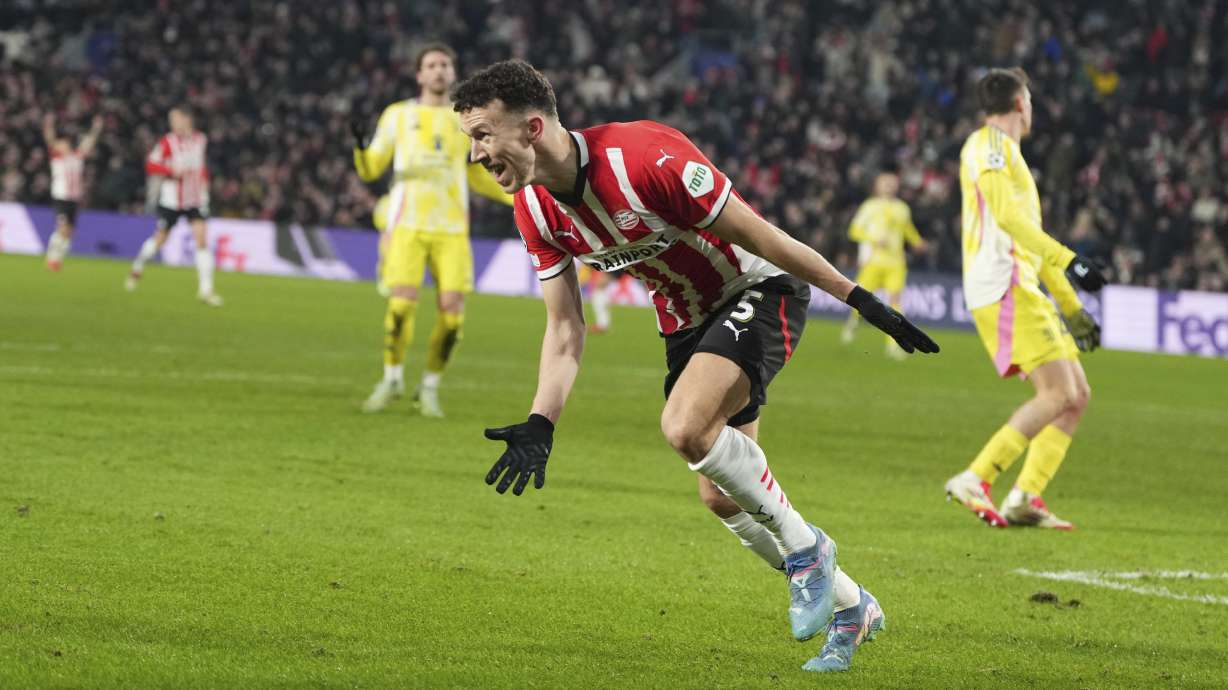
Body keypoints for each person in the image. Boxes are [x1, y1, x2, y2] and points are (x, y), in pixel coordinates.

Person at [454, 59, 939, 672]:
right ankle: (851, 607)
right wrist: (540, 421)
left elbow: (762, 236)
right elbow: (566, 326)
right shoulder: (535, 210)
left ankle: (808, 551)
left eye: (482, 135)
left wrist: (858, 298)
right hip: (686, 322)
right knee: (721, 496)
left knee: (684, 426)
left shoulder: (645, 158)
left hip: (758, 288)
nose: (475, 154)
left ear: (530, 128)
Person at [943, 68, 1106, 530]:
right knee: (1058, 393)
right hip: (1003, 283)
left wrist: (1072, 309)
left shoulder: (1009, 156)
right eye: (1029, 100)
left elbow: (1028, 238)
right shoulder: (988, 146)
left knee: (1076, 396)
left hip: (1021, 283)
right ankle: (975, 478)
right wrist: (1070, 259)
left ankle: (1025, 497)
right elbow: (1008, 218)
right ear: (1020, 104)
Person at [352, 43, 513, 417]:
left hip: (451, 229)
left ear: (453, 72)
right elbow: (372, 169)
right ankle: (392, 378)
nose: (439, 70)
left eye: (445, 64)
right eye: (431, 65)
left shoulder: (466, 119)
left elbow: (476, 174)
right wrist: (361, 149)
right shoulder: (398, 115)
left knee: (453, 316)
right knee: (400, 307)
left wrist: (515, 195)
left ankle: (429, 387)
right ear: (419, 74)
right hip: (407, 226)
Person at [126, 106, 221, 306]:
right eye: (171, 120)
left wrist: (205, 182)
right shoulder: (168, 142)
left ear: (187, 120)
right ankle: (138, 266)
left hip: (196, 199)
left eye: (176, 119)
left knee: (202, 241)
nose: (173, 124)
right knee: (160, 239)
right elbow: (151, 164)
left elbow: (201, 166)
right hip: (172, 201)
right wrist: (169, 170)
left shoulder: (200, 140)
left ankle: (206, 290)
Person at [840, 171, 928, 359]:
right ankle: (853, 324)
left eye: (892, 182)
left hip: (896, 262)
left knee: (895, 302)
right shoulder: (869, 206)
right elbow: (854, 231)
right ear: (877, 186)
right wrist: (873, 239)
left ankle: (894, 344)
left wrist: (917, 242)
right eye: (885, 182)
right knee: (861, 300)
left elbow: (907, 229)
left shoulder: (902, 208)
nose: (889, 185)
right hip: (873, 261)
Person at [42, 113, 103, 271]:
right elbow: (50, 139)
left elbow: (88, 143)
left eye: (64, 143)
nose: (63, 145)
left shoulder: (76, 157)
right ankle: (52, 257)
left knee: (69, 232)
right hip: (61, 197)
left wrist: (96, 128)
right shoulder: (57, 158)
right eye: (61, 143)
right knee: (62, 228)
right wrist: (48, 125)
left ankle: (58, 258)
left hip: (74, 199)